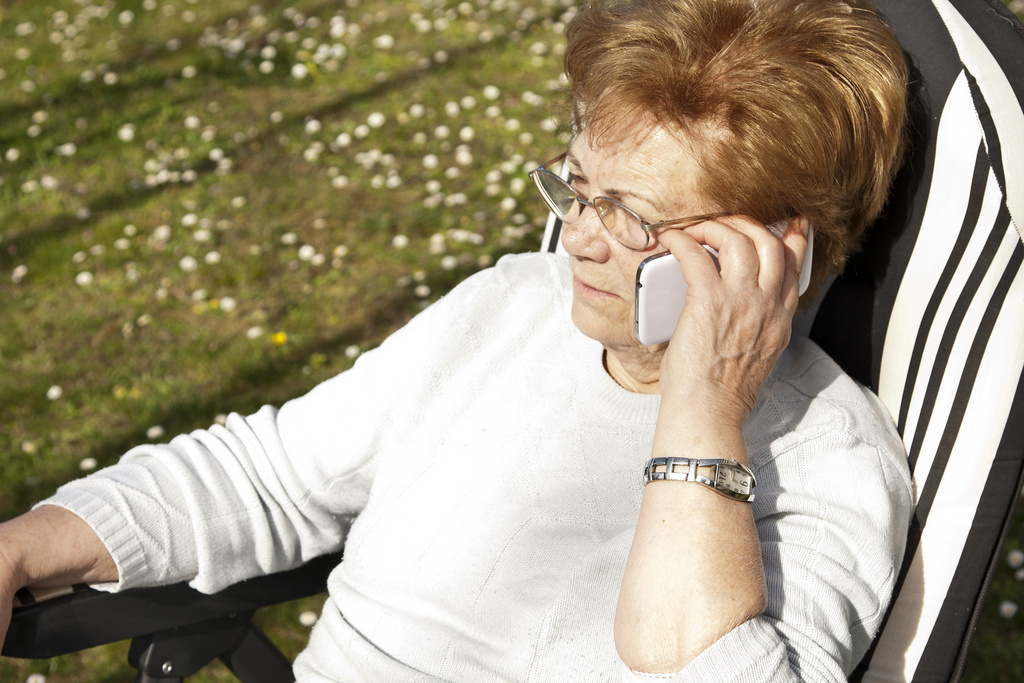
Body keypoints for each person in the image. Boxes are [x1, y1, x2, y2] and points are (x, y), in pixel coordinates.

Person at [0, 0, 914, 679]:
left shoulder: (827, 460)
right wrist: (28, 543)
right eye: (577, 186)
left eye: (631, 216)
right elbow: (269, 475)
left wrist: (705, 415)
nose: (579, 237)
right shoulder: (514, 304)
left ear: (771, 252)